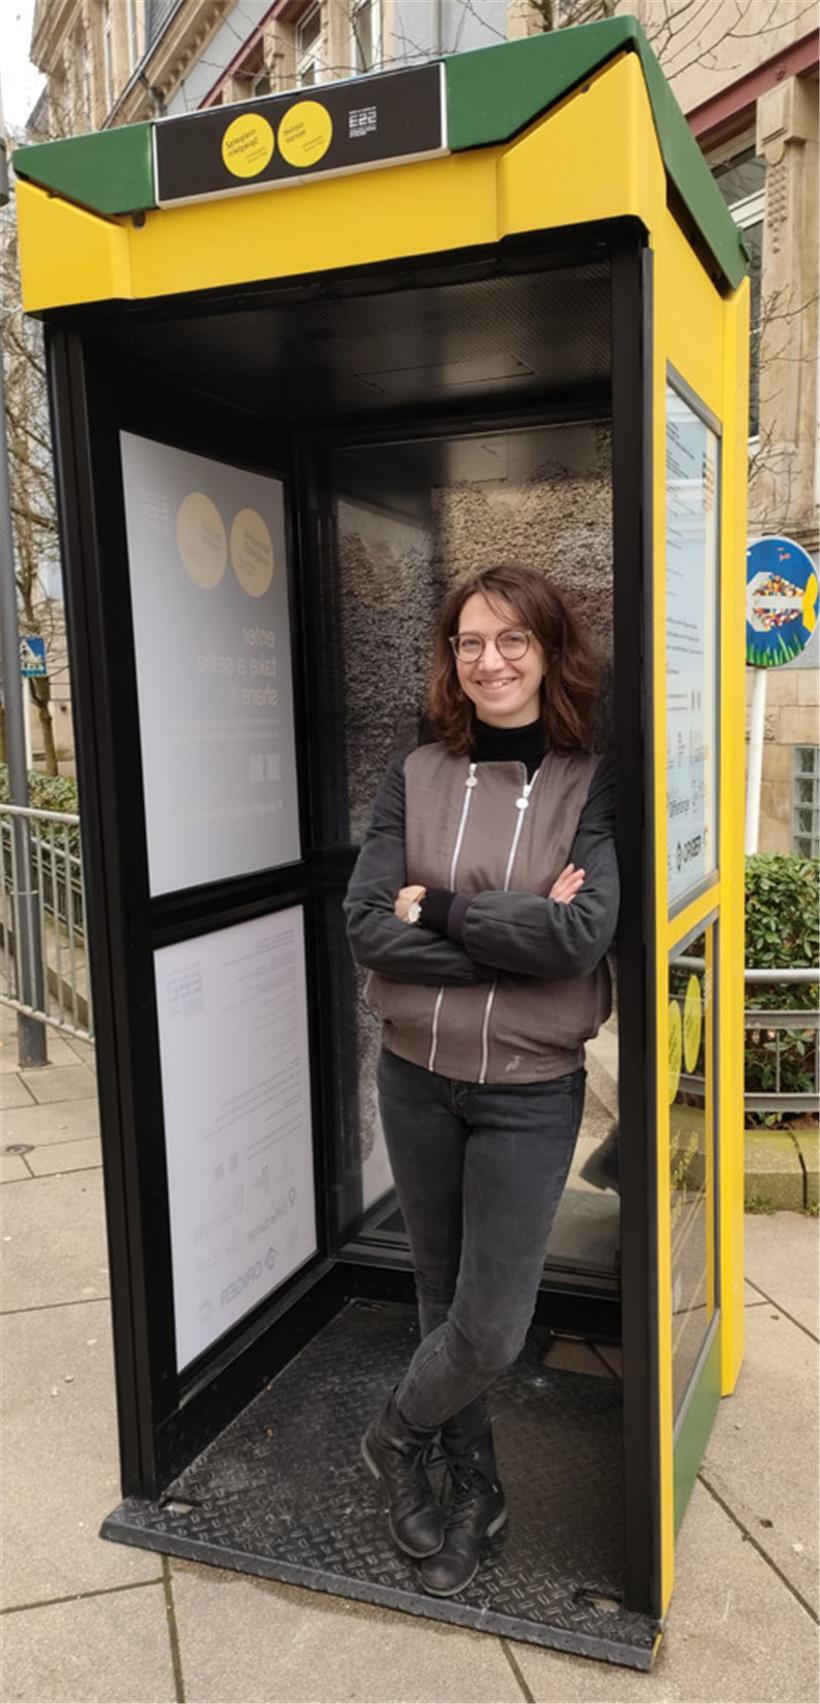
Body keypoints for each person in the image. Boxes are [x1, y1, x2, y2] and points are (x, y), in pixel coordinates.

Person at [343, 563, 619, 1598]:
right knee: (437, 1298)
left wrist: (444, 913)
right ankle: (474, 1482)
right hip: (414, 1078)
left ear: (548, 653)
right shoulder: (410, 773)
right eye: (468, 643)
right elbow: (368, 923)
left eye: (510, 641)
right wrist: (515, 933)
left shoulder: (591, 781)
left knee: (491, 1321)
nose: (488, 660)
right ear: (449, 662)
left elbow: (584, 933)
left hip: (526, 1093)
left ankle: (396, 1434)